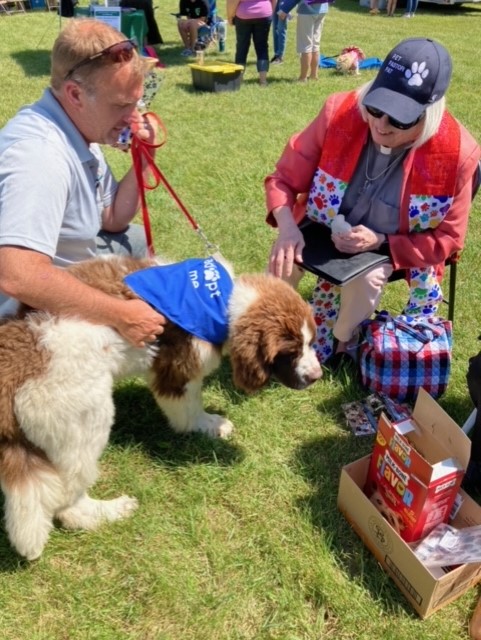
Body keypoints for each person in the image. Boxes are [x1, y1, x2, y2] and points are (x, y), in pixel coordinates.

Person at [264, 37, 481, 366]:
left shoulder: (459, 155)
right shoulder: (340, 111)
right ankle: (278, 330)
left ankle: (343, 339)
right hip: (323, 225)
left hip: (387, 246)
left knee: (366, 278)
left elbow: (448, 239)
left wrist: (382, 241)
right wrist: (288, 228)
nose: (379, 125)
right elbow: (282, 178)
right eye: (375, 108)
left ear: (430, 114)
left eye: (399, 119)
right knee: (284, 257)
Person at [0, 18, 166, 348]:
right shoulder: (40, 157)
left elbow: (114, 218)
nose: (133, 116)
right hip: (20, 324)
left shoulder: (76, 130)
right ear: (75, 94)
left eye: (137, 103)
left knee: (131, 241)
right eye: (121, 104)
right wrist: (122, 315)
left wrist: (143, 156)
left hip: (57, 282)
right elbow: (18, 275)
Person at [278, 0, 329, 82]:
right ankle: (313, 75)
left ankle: (303, 77)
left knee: (306, 45)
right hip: (322, 8)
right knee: (315, 44)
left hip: (306, 10)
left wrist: (284, 9)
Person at [227, 0, 276, 86]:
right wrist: (271, 11)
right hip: (264, 13)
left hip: (243, 14)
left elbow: (233, 1)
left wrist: (230, 17)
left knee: (242, 47)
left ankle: (239, 79)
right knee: (262, 46)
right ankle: (263, 80)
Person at [271, 0, 290, 64]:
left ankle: (280, 56)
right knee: (275, 28)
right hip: (274, 1)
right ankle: (276, 54)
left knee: (281, 28)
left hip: (283, 2)